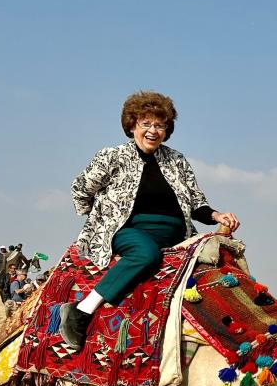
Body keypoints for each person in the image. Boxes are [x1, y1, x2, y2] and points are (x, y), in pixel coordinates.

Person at [60, 91, 240, 351]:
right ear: (132, 125)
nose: (153, 131)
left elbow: (196, 203)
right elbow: (80, 189)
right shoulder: (112, 156)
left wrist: (216, 216)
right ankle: (81, 310)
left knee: (221, 261)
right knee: (146, 255)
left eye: (160, 125)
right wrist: (102, 219)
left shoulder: (177, 161)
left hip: (178, 234)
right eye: (146, 124)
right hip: (130, 231)